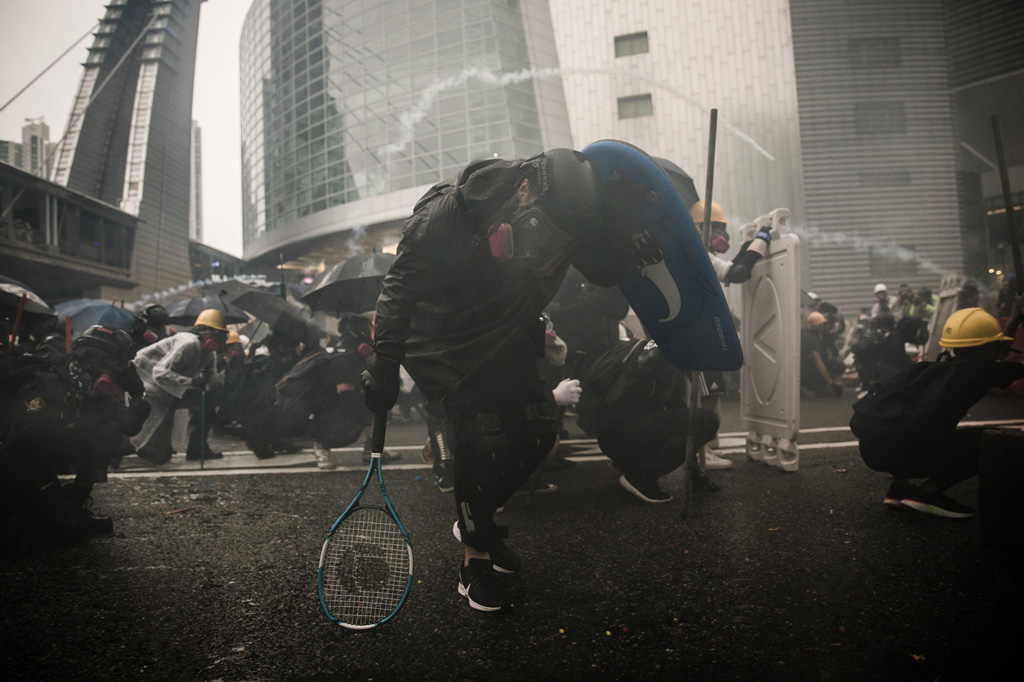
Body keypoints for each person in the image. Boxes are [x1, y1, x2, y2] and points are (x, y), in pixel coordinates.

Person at [362, 148, 635, 612]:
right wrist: (384, 365)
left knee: (539, 431)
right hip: (444, 339)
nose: (547, 242)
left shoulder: (571, 218)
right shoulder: (447, 213)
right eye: (542, 226)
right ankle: (476, 560)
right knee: (481, 435)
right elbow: (399, 288)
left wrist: (623, 220)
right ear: (522, 190)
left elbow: (606, 272)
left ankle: (480, 521)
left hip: (505, 331)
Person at [850, 299, 1024, 518]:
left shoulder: (930, 369)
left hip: (873, 451)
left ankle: (900, 488)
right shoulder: (982, 372)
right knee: (990, 440)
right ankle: (928, 492)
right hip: (913, 455)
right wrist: (1015, 320)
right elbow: (1015, 366)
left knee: (912, 422)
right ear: (991, 348)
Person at [0, 325, 148, 553]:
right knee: (59, 532)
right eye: (117, 364)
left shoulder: (90, 388)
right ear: (92, 360)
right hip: (17, 461)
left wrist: (137, 397)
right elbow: (20, 443)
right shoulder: (48, 385)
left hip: (43, 456)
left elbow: (127, 426)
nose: (121, 370)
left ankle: (74, 502)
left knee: (107, 431)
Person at [582, 337, 719, 503]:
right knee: (708, 421)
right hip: (625, 436)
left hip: (608, 435)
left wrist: (694, 471)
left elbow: (682, 417)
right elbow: (682, 414)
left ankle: (628, 465)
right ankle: (641, 477)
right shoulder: (661, 354)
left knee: (693, 419)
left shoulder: (642, 346)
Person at [688, 199, 772, 469]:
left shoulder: (696, 252)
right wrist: (761, 242)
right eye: (717, 228)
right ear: (701, 228)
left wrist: (748, 247)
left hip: (697, 331)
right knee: (708, 394)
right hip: (700, 335)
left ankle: (703, 446)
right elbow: (738, 273)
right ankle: (699, 451)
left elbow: (728, 268)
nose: (721, 234)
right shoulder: (697, 254)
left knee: (706, 392)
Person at [276, 314, 376, 470]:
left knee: (365, 404)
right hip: (317, 415)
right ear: (358, 335)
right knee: (351, 426)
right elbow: (347, 398)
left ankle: (373, 448)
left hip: (323, 410)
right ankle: (321, 447)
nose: (371, 338)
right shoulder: (344, 361)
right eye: (368, 333)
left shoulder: (350, 357)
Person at [130, 309, 227, 464]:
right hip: (146, 378)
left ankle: (188, 447)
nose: (220, 340)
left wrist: (226, 368)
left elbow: (213, 382)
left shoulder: (209, 354)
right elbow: (160, 373)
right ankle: (130, 446)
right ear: (205, 333)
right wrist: (190, 382)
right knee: (158, 417)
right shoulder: (188, 344)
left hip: (166, 386)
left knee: (205, 407)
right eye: (217, 335)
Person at [801, 311, 844, 397]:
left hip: (803, 367)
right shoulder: (812, 340)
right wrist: (831, 383)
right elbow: (819, 363)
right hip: (809, 369)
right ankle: (812, 387)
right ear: (819, 326)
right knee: (832, 366)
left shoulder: (804, 334)